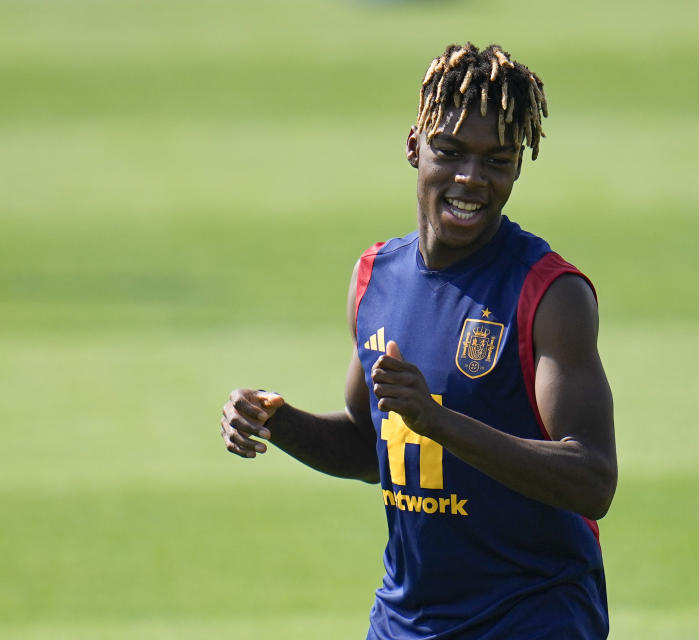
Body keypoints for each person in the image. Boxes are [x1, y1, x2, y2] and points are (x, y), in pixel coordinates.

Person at [221, 42, 617, 639]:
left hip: (532, 617)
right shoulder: (375, 277)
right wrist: (279, 422)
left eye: (496, 160)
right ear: (415, 146)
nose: (471, 179)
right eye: (451, 151)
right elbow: (369, 446)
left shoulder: (548, 294)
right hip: (408, 622)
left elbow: (592, 480)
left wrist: (439, 420)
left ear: (516, 167)